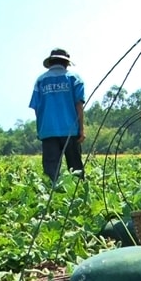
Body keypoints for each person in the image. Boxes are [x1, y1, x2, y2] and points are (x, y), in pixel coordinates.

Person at [29, 48, 85, 184]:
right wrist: (81, 130)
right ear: (66, 63)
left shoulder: (41, 81)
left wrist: (40, 130)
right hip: (70, 130)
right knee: (76, 169)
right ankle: (79, 197)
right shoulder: (74, 78)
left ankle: (51, 199)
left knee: (51, 173)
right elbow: (79, 105)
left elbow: (37, 108)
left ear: (51, 62)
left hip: (48, 131)